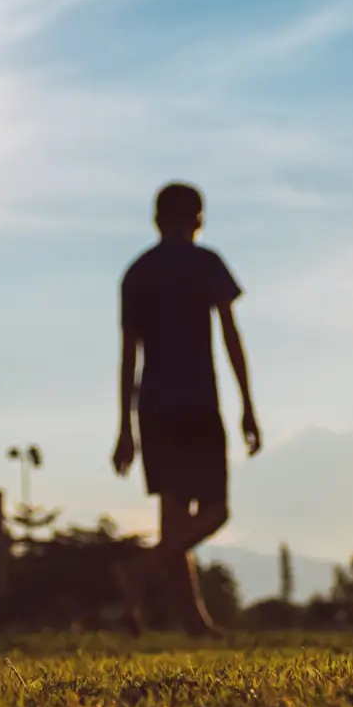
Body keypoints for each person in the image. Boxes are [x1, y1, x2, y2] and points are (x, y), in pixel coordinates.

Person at [112, 181, 260, 636]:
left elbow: (128, 356)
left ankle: (194, 622)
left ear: (157, 219)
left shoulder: (137, 272)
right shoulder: (206, 264)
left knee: (175, 519)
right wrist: (248, 406)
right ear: (199, 218)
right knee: (215, 511)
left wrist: (124, 428)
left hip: (152, 408)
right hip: (197, 402)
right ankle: (141, 573)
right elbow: (231, 337)